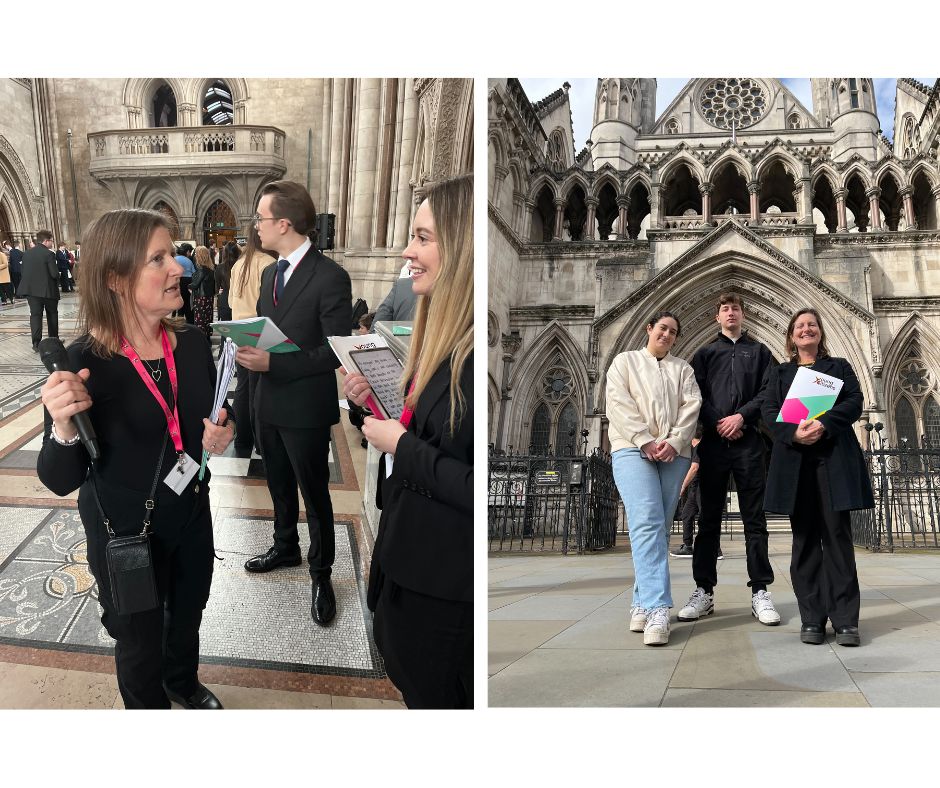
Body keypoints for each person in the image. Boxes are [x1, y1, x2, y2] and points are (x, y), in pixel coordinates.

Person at [36, 208, 235, 709]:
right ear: (115, 278)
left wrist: (222, 429)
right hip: (126, 531)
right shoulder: (84, 362)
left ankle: (182, 682)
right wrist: (62, 428)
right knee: (139, 638)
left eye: (174, 254)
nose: (178, 269)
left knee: (188, 614)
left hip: (191, 510)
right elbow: (60, 479)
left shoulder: (190, 343)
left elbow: (205, 417)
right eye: (159, 259)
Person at [343, 173, 473, 707]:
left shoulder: (469, 350)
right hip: (409, 555)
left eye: (422, 237)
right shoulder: (435, 337)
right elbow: (420, 427)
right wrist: (365, 403)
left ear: (460, 245)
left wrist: (400, 444)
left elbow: (467, 481)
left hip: (442, 578)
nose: (407, 251)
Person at [237, 180, 351, 627]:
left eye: (261, 219)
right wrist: (248, 345)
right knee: (278, 484)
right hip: (266, 402)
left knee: (314, 493)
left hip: (304, 407)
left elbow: (334, 350)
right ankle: (285, 546)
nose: (256, 227)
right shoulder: (270, 273)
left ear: (284, 223)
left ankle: (321, 573)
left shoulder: (330, 277)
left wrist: (273, 364)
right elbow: (273, 330)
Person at [762, 308, 874, 647]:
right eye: (799, 326)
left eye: (812, 325)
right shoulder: (779, 373)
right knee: (805, 540)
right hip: (796, 463)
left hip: (832, 459)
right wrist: (793, 434)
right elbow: (768, 413)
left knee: (837, 539)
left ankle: (845, 621)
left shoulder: (838, 366)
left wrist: (825, 423)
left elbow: (855, 401)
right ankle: (812, 618)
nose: (806, 330)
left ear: (820, 333)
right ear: (791, 336)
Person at [679, 293, 778, 625]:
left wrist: (742, 418)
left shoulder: (761, 352)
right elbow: (695, 394)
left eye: (735, 308)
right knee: (708, 520)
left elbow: (769, 391)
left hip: (749, 442)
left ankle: (760, 591)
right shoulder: (705, 353)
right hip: (714, 443)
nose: (731, 313)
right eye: (725, 309)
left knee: (755, 521)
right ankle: (703, 590)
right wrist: (720, 422)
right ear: (716, 317)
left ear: (743, 314)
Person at [606, 311, 701, 646]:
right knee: (646, 522)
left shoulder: (683, 369)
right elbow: (618, 403)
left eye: (673, 331)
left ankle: (640, 603)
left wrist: (674, 442)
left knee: (658, 526)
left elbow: (692, 406)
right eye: (662, 328)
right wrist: (644, 439)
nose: (667, 335)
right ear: (649, 329)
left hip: (674, 454)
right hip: (632, 449)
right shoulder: (624, 362)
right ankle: (659, 607)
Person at [229, 225, 276, 457]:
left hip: (239, 331)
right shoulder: (268, 263)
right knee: (258, 390)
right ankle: (261, 441)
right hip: (259, 330)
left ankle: (243, 437)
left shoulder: (239, 264)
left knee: (243, 387)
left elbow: (229, 302)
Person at [18, 229, 60, 352]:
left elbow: (23, 272)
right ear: (46, 241)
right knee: (52, 314)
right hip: (48, 291)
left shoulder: (26, 254)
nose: (52, 243)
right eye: (51, 240)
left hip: (31, 292)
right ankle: (53, 341)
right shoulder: (49, 254)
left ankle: (36, 343)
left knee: (35, 316)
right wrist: (58, 276)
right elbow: (54, 274)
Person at [189, 246, 216, 338]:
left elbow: (194, 285)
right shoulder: (211, 269)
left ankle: (201, 341)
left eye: (196, 254)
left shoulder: (201, 270)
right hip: (209, 298)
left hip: (201, 298)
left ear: (199, 256)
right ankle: (207, 339)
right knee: (207, 320)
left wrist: (187, 285)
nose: (195, 256)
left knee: (200, 321)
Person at [216, 241, 239, 323]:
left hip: (225, 299)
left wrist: (219, 291)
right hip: (239, 299)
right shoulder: (241, 266)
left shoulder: (220, 267)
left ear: (224, 253)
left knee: (226, 330)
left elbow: (216, 287)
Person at [174, 243, 196, 324]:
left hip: (177, 281)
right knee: (187, 303)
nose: (190, 254)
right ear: (187, 252)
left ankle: (178, 320)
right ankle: (190, 322)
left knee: (179, 302)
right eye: (190, 252)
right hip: (187, 282)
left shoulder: (174, 259)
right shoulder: (188, 261)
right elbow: (194, 272)